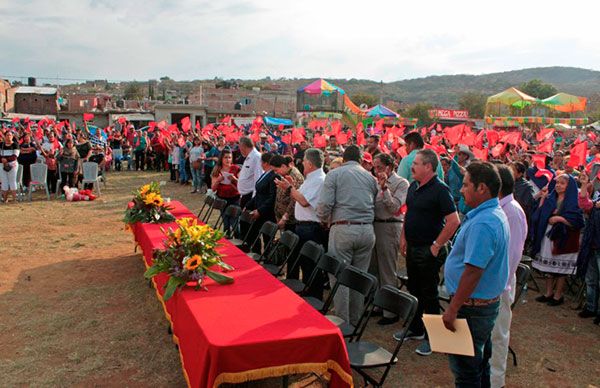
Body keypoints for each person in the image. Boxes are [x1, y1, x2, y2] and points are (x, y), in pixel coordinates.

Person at [442, 162, 510, 387]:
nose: (461, 190)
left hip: (471, 309)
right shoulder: (491, 213)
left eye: (465, 185)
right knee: (479, 366)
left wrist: (453, 308)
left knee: (466, 372)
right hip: (480, 306)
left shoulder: (484, 222)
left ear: (481, 188)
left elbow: (473, 271)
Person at [398, 149, 460, 356]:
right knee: (414, 289)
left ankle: (434, 338)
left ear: (428, 167)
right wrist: (404, 237)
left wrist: (436, 246)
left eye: (415, 163)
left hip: (428, 249)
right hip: (413, 246)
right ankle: (416, 329)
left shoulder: (440, 190)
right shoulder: (414, 186)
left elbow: (453, 221)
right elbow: (409, 214)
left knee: (429, 294)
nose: (411, 167)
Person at [317, 145, 378, 325]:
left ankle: (342, 322)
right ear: (360, 160)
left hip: (343, 228)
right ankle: (354, 320)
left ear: (343, 159)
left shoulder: (334, 174)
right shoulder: (370, 177)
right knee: (359, 277)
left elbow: (324, 205)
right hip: (366, 230)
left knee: (340, 276)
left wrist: (323, 218)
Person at [490, 165, 528, 388]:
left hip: (500, 284)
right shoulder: (502, 208)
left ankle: (496, 381)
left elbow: (513, 255)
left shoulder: (511, 211)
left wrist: (500, 287)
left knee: (499, 334)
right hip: (495, 282)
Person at [276, 148, 327, 297]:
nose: (302, 163)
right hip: (304, 227)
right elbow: (301, 197)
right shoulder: (311, 179)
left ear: (310, 164)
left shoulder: (319, 180)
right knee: (305, 265)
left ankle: (314, 297)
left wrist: (291, 188)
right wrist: (293, 188)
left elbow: (304, 202)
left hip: (311, 228)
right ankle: (308, 294)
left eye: (304, 161)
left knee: (311, 265)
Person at [531, 174, 584, 306]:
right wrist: (542, 200)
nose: (559, 185)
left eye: (562, 183)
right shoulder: (550, 198)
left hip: (564, 238)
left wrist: (560, 219)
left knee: (561, 269)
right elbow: (539, 215)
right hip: (548, 235)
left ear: (569, 186)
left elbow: (577, 221)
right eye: (557, 182)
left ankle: (558, 295)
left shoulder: (572, 201)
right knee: (549, 268)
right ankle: (548, 293)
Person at [371, 153, 409, 325]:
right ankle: (379, 304)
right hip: (375, 225)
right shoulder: (373, 181)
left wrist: (385, 188)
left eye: (379, 167)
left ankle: (391, 311)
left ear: (389, 166)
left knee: (387, 269)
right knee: (375, 268)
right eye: (374, 167)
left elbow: (395, 207)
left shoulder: (401, 183)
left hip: (390, 225)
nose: (376, 170)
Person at [245, 153, 278, 253]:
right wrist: (248, 205)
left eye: (261, 162)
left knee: (267, 239)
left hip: (267, 213)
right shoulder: (265, 174)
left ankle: (267, 260)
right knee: (254, 235)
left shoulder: (273, 176)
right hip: (258, 210)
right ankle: (257, 253)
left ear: (266, 163)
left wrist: (260, 210)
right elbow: (258, 194)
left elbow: (272, 197)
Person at [211, 149, 241, 236]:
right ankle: (228, 240)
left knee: (235, 222)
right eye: (226, 157)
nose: (228, 159)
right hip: (222, 199)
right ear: (221, 158)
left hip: (235, 198)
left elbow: (242, 185)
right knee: (226, 222)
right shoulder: (217, 169)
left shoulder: (236, 168)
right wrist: (218, 181)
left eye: (230, 157)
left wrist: (234, 180)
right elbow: (213, 188)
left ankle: (238, 240)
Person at [237, 137, 263, 209]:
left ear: (243, 146)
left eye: (240, 147)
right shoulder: (249, 157)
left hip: (250, 196)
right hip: (245, 195)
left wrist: (253, 199)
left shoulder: (256, 157)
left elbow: (258, 178)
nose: (240, 150)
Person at [0, 131, 20, 203]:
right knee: (4, 181)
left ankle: (14, 199)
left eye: (10, 135)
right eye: (7, 135)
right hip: (1, 164)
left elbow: (15, 156)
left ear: (12, 136)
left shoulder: (15, 145)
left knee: (12, 181)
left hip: (12, 165)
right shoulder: (1, 144)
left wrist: (6, 160)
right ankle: (5, 199)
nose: (9, 137)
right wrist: (2, 160)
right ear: (4, 136)